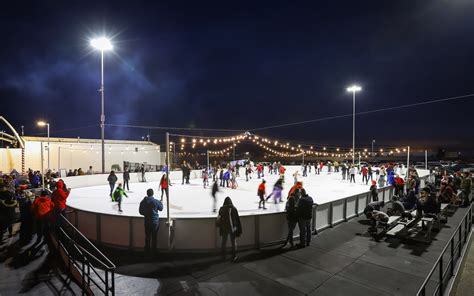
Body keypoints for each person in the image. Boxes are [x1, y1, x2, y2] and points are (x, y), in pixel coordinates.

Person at [216, 196, 242, 262]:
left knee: (224, 242)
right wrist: (237, 228)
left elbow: (219, 218)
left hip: (224, 227)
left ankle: (223, 256)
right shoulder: (234, 208)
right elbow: (237, 219)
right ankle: (234, 256)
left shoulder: (221, 209)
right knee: (233, 242)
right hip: (232, 228)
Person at [139, 189, 164, 254]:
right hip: (154, 221)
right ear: (153, 194)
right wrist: (160, 203)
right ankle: (154, 250)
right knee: (154, 236)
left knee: (147, 236)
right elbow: (161, 208)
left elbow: (141, 212)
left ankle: (147, 250)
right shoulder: (155, 201)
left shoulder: (143, 202)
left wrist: (146, 214)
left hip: (147, 221)